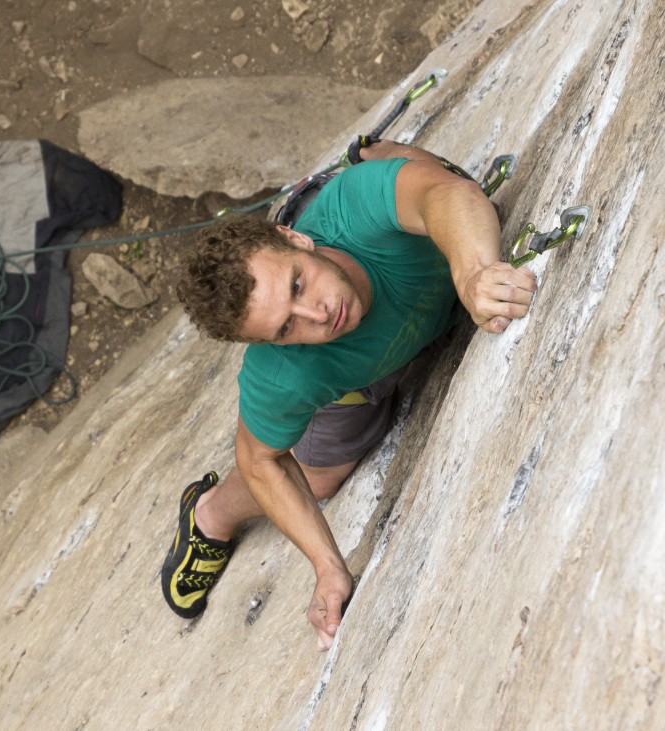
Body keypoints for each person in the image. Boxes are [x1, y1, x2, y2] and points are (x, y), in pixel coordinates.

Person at [160, 139, 537, 650]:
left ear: (296, 239)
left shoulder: (354, 211)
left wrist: (473, 274)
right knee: (316, 479)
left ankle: (369, 154)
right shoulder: (284, 372)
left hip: (408, 279)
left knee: (415, 173)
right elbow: (259, 460)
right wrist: (326, 565)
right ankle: (210, 514)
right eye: (285, 328)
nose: (317, 315)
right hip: (357, 381)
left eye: (297, 285)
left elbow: (451, 197)